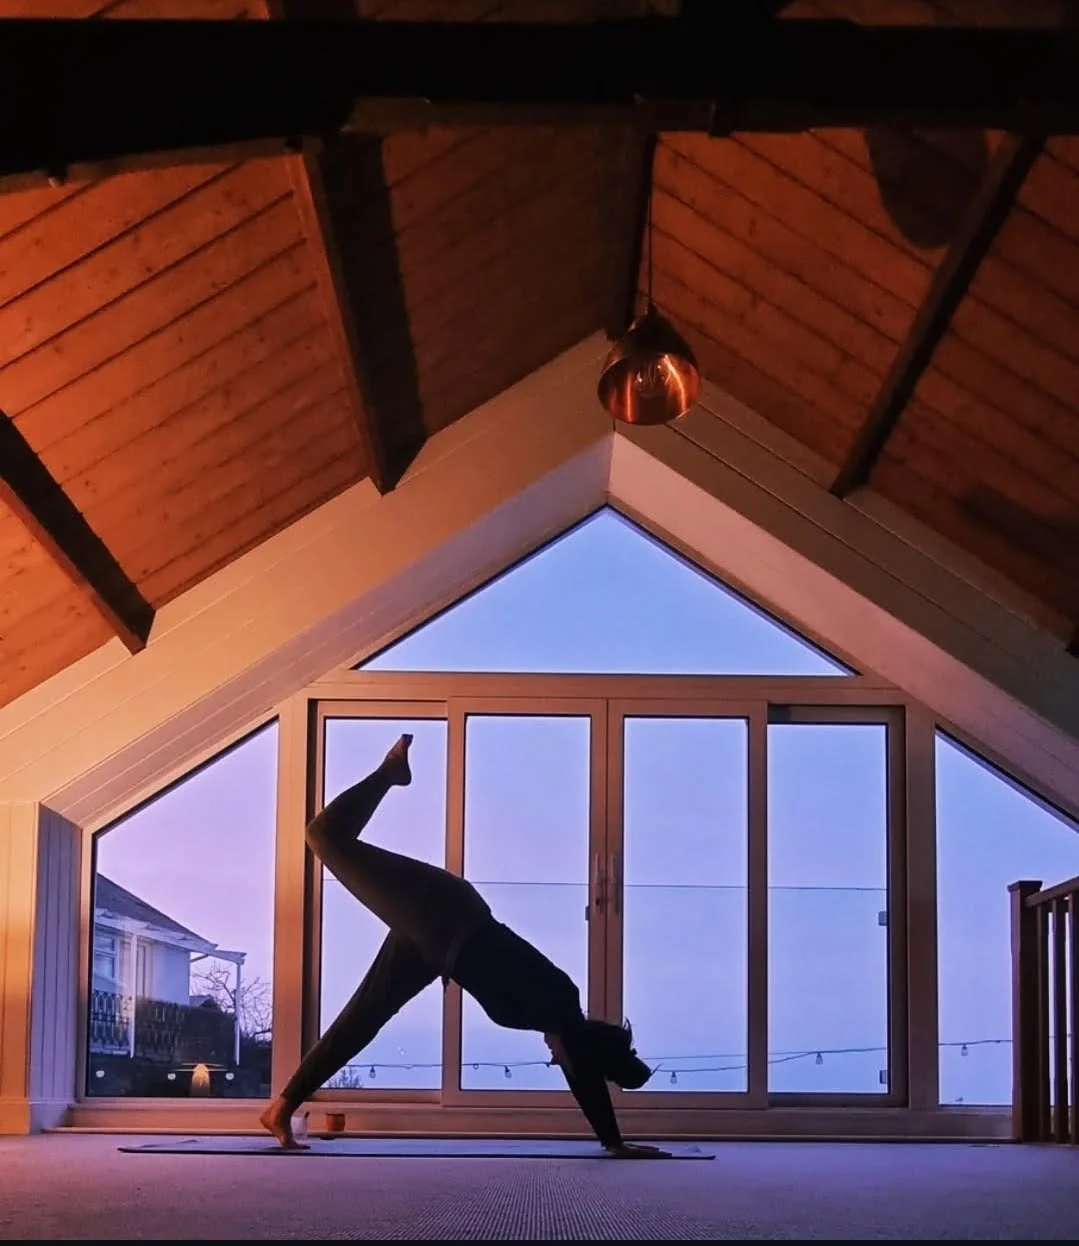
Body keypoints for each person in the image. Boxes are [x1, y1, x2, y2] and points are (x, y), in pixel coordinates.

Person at [259, 732, 670, 1158]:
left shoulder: (551, 1015)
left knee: (362, 1019)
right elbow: (583, 1076)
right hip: (443, 911)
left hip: (437, 948)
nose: (554, 1059)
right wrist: (614, 1141)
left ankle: (282, 1107)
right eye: (564, 1059)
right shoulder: (561, 1002)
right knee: (324, 837)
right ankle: (388, 774)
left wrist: (612, 1140)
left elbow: (576, 1064)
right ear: (585, 1049)